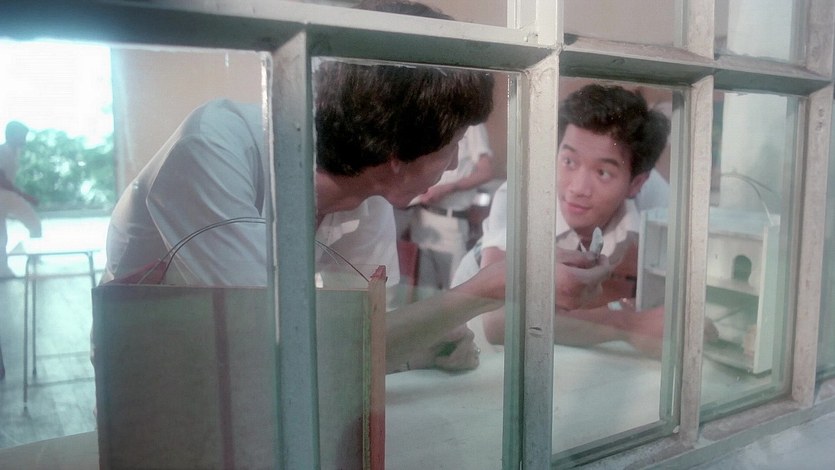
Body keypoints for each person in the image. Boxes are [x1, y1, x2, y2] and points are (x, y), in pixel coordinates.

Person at [104, 0, 560, 374]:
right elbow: (271, 345)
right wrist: (478, 293)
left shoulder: (367, 200)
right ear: (397, 156)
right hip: (155, 375)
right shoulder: (214, 148)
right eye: (452, 146)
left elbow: (361, 335)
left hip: (247, 385)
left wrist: (414, 348)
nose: (457, 162)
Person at [473, 83, 682, 357]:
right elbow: (498, 320)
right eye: (569, 162)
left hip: (580, 343)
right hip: (483, 341)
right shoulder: (523, 191)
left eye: (603, 173)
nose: (578, 188)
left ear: (636, 183)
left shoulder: (657, 200)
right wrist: (628, 326)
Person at [405, 123, 494, 296]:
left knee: (455, 292)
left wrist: (447, 188)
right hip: (421, 219)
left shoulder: (473, 126)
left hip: (450, 223)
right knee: (424, 293)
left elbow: (486, 172)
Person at [0, 120, 41, 279]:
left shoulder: (15, 151)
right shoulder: (2, 151)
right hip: (3, 194)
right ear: (11, 135)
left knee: (34, 224)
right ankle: (3, 270)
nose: (24, 139)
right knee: (2, 235)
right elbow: (1, 179)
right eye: (22, 135)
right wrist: (24, 195)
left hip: (8, 195)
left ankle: (34, 259)